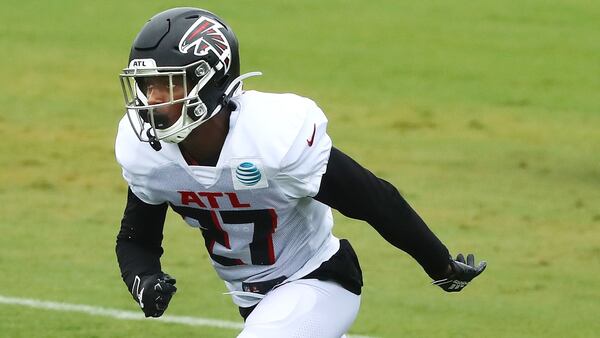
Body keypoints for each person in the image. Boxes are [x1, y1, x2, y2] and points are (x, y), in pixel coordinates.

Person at [115, 7, 487, 338]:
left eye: (167, 85)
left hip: (318, 281)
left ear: (209, 80)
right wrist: (144, 279)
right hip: (255, 302)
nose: (153, 101)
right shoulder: (150, 155)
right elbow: (136, 238)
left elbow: (373, 200)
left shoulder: (270, 138)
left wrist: (439, 263)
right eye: (147, 87)